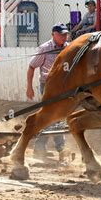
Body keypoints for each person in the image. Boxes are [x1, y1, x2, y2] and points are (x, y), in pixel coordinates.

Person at [27, 24, 70, 162]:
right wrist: (29, 87)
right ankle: (59, 148)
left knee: (57, 116)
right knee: (52, 116)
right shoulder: (45, 48)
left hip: (63, 87)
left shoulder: (69, 48)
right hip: (47, 86)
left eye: (65, 34)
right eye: (61, 34)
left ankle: (42, 148)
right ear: (53, 34)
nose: (64, 37)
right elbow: (32, 66)